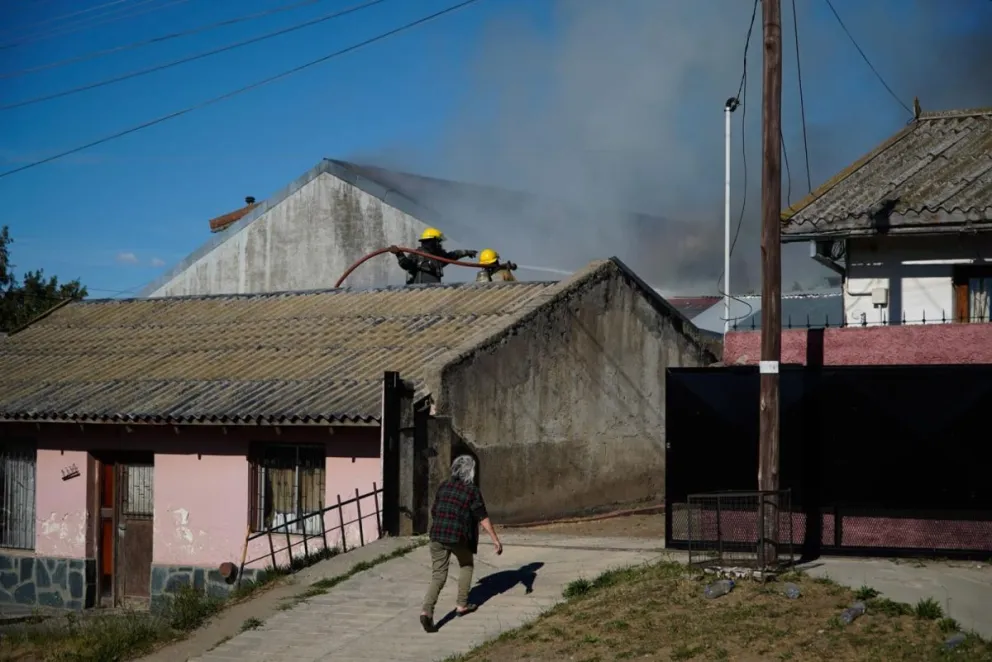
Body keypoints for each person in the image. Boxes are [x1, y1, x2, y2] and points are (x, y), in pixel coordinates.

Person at [420, 455, 502, 633]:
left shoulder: (443, 485)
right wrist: (495, 540)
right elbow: (482, 517)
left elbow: (434, 510)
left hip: (436, 535)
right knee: (466, 565)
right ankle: (462, 605)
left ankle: (426, 611)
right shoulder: (471, 490)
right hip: (457, 537)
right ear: (471, 472)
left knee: (438, 575)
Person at [390, 228, 478, 285]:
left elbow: (453, 255)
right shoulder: (417, 255)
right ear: (433, 242)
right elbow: (406, 264)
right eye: (438, 242)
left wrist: (467, 252)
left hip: (435, 293)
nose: (440, 245)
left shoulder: (438, 257)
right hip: (419, 294)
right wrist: (399, 254)